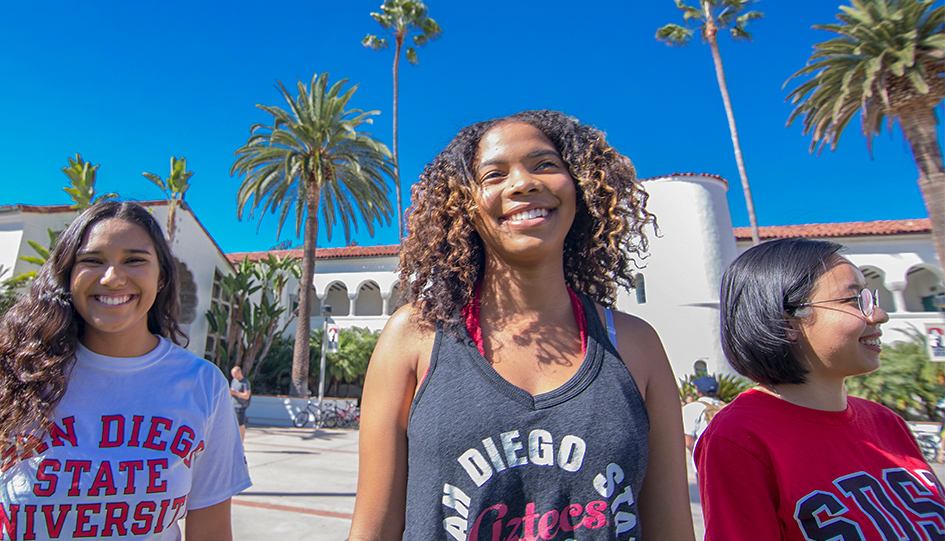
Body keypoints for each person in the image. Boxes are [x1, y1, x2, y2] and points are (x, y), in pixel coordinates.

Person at [349, 110, 694, 540]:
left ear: (581, 188)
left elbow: (672, 531)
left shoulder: (636, 345)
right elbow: (374, 530)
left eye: (545, 165)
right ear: (464, 206)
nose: (522, 183)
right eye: (493, 175)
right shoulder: (415, 337)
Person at [0, 201, 252, 540]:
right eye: (92, 261)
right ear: (68, 275)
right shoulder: (9, 377)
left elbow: (210, 533)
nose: (112, 278)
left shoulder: (201, 383)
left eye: (135, 260)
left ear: (162, 277)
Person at [698, 237, 945, 540]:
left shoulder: (886, 421)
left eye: (871, 298)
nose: (880, 315)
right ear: (788, 321)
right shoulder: (738, 438)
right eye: (855, 301)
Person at [680, 376, 723, 472]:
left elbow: (688, 442)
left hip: (705, 461)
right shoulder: (726, 406)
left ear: (697, 390)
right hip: (726, 458)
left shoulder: (692, 408)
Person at [230, 366, 251, 442]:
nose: (234, 376)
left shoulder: (245, 382)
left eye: (235, 374)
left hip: (240, 406)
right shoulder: (234, 381)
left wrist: (236, 393)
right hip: (232, 405)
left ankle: (241, 442)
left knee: (240, 425)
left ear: (240, 373)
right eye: (233, 375)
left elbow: (246, 395)